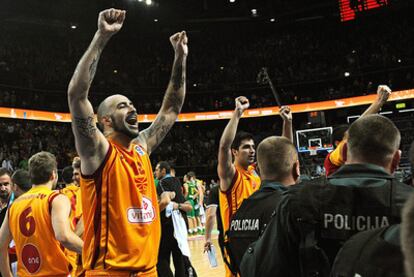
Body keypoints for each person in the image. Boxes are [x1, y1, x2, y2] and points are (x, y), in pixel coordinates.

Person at [67, 8, 188, 276]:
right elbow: (77, 96)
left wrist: (180, 57)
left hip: (149, 271)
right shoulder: (97, 151)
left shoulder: (141, 147)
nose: (132, 109)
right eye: (123, 106)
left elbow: (171, 109)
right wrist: (101, 36)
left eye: (132, 104)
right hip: (109, 272)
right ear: (106, 121)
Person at [240, 114, 413, 277]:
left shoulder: (298, 199)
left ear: (343, 152)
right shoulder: (408, 204)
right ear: (397, 160)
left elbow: (256, 267)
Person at [217, 96, 293, 276]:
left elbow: (283, 156)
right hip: (239, 243)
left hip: (261, 241)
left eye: (253, 147)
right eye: (246, 147)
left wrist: (288, 124)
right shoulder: (231, 175)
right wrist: (238, 113)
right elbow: (223, 146)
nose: (252, 150)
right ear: (234, 152)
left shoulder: (255, 173)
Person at [0, 152, 83, 276]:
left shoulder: (14, 205)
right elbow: (63, 236)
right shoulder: (56, 198)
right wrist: (92, 252)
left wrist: (7, 275)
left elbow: (1, 244)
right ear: (53, 175)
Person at [324, 85, 392, 176]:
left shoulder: (357, 156)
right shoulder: (332, 158)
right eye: (348, 136)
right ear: (337, 143)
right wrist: (378, 102)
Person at [155, 161, 192, 277]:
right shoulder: (177, 181)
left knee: (161, 258)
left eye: (157, 169)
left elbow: (165, 201)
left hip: (168, 223)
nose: (155, 172)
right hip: (181, 222)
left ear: (163, 171)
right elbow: (184, 202)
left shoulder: (161, 182)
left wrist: (154, 212)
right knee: (178, 257)